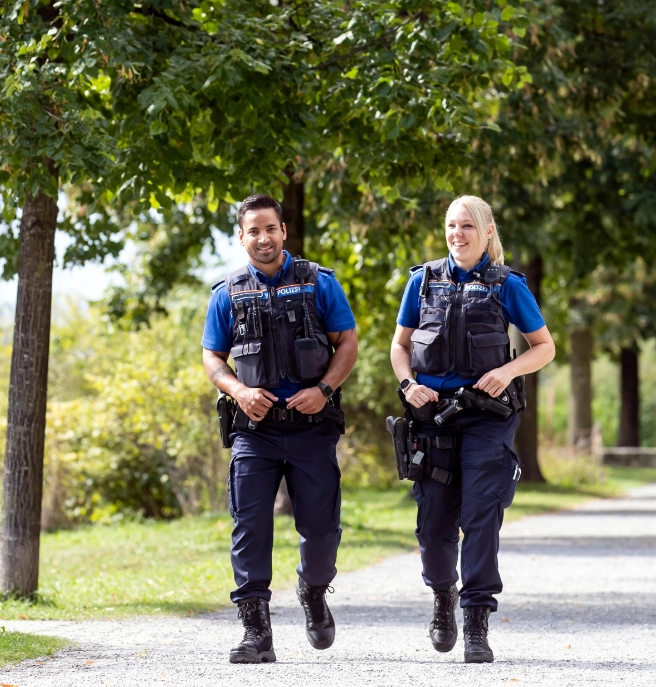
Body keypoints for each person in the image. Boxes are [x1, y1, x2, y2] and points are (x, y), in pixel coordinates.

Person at [390, 195, 555, 663]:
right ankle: (443, 596)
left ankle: (477, 620)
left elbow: (544, 347)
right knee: (434, 524)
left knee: (481, 515)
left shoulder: (506, 284)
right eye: (450, 226)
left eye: (466, 226)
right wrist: (407, 385)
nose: (457, 234)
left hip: (487, 417)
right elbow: (399, 347)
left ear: (486, 232)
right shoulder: (422, 282)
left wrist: (507, 372)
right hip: (433, 417)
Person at [201, 194, 358, 664]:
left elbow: (347, 341)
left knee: (322, 531)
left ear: (284, 231)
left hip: (312, 426)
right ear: (242, 237)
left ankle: (313, 590)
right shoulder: (227, 293)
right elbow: (213, 357)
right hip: (255, 430)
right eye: (254, 231)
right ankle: (256, 633)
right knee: (249, 525)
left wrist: (326, 389)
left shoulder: (318, 282)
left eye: (271, 228)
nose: (263, 238)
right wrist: (238, 392)